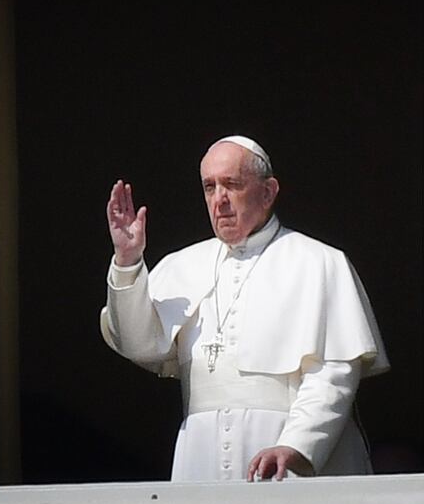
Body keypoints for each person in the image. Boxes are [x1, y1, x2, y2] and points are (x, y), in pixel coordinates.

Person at [100, 135, 388, 482]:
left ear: (268, 192)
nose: (219, 200)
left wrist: (296, 445)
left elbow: (334, 370)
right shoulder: (183, 265)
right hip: (202, 455)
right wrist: (128, 262)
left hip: (287, 452)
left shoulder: (319, 262)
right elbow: (137, 344)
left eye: (232, 185)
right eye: (209, 187)